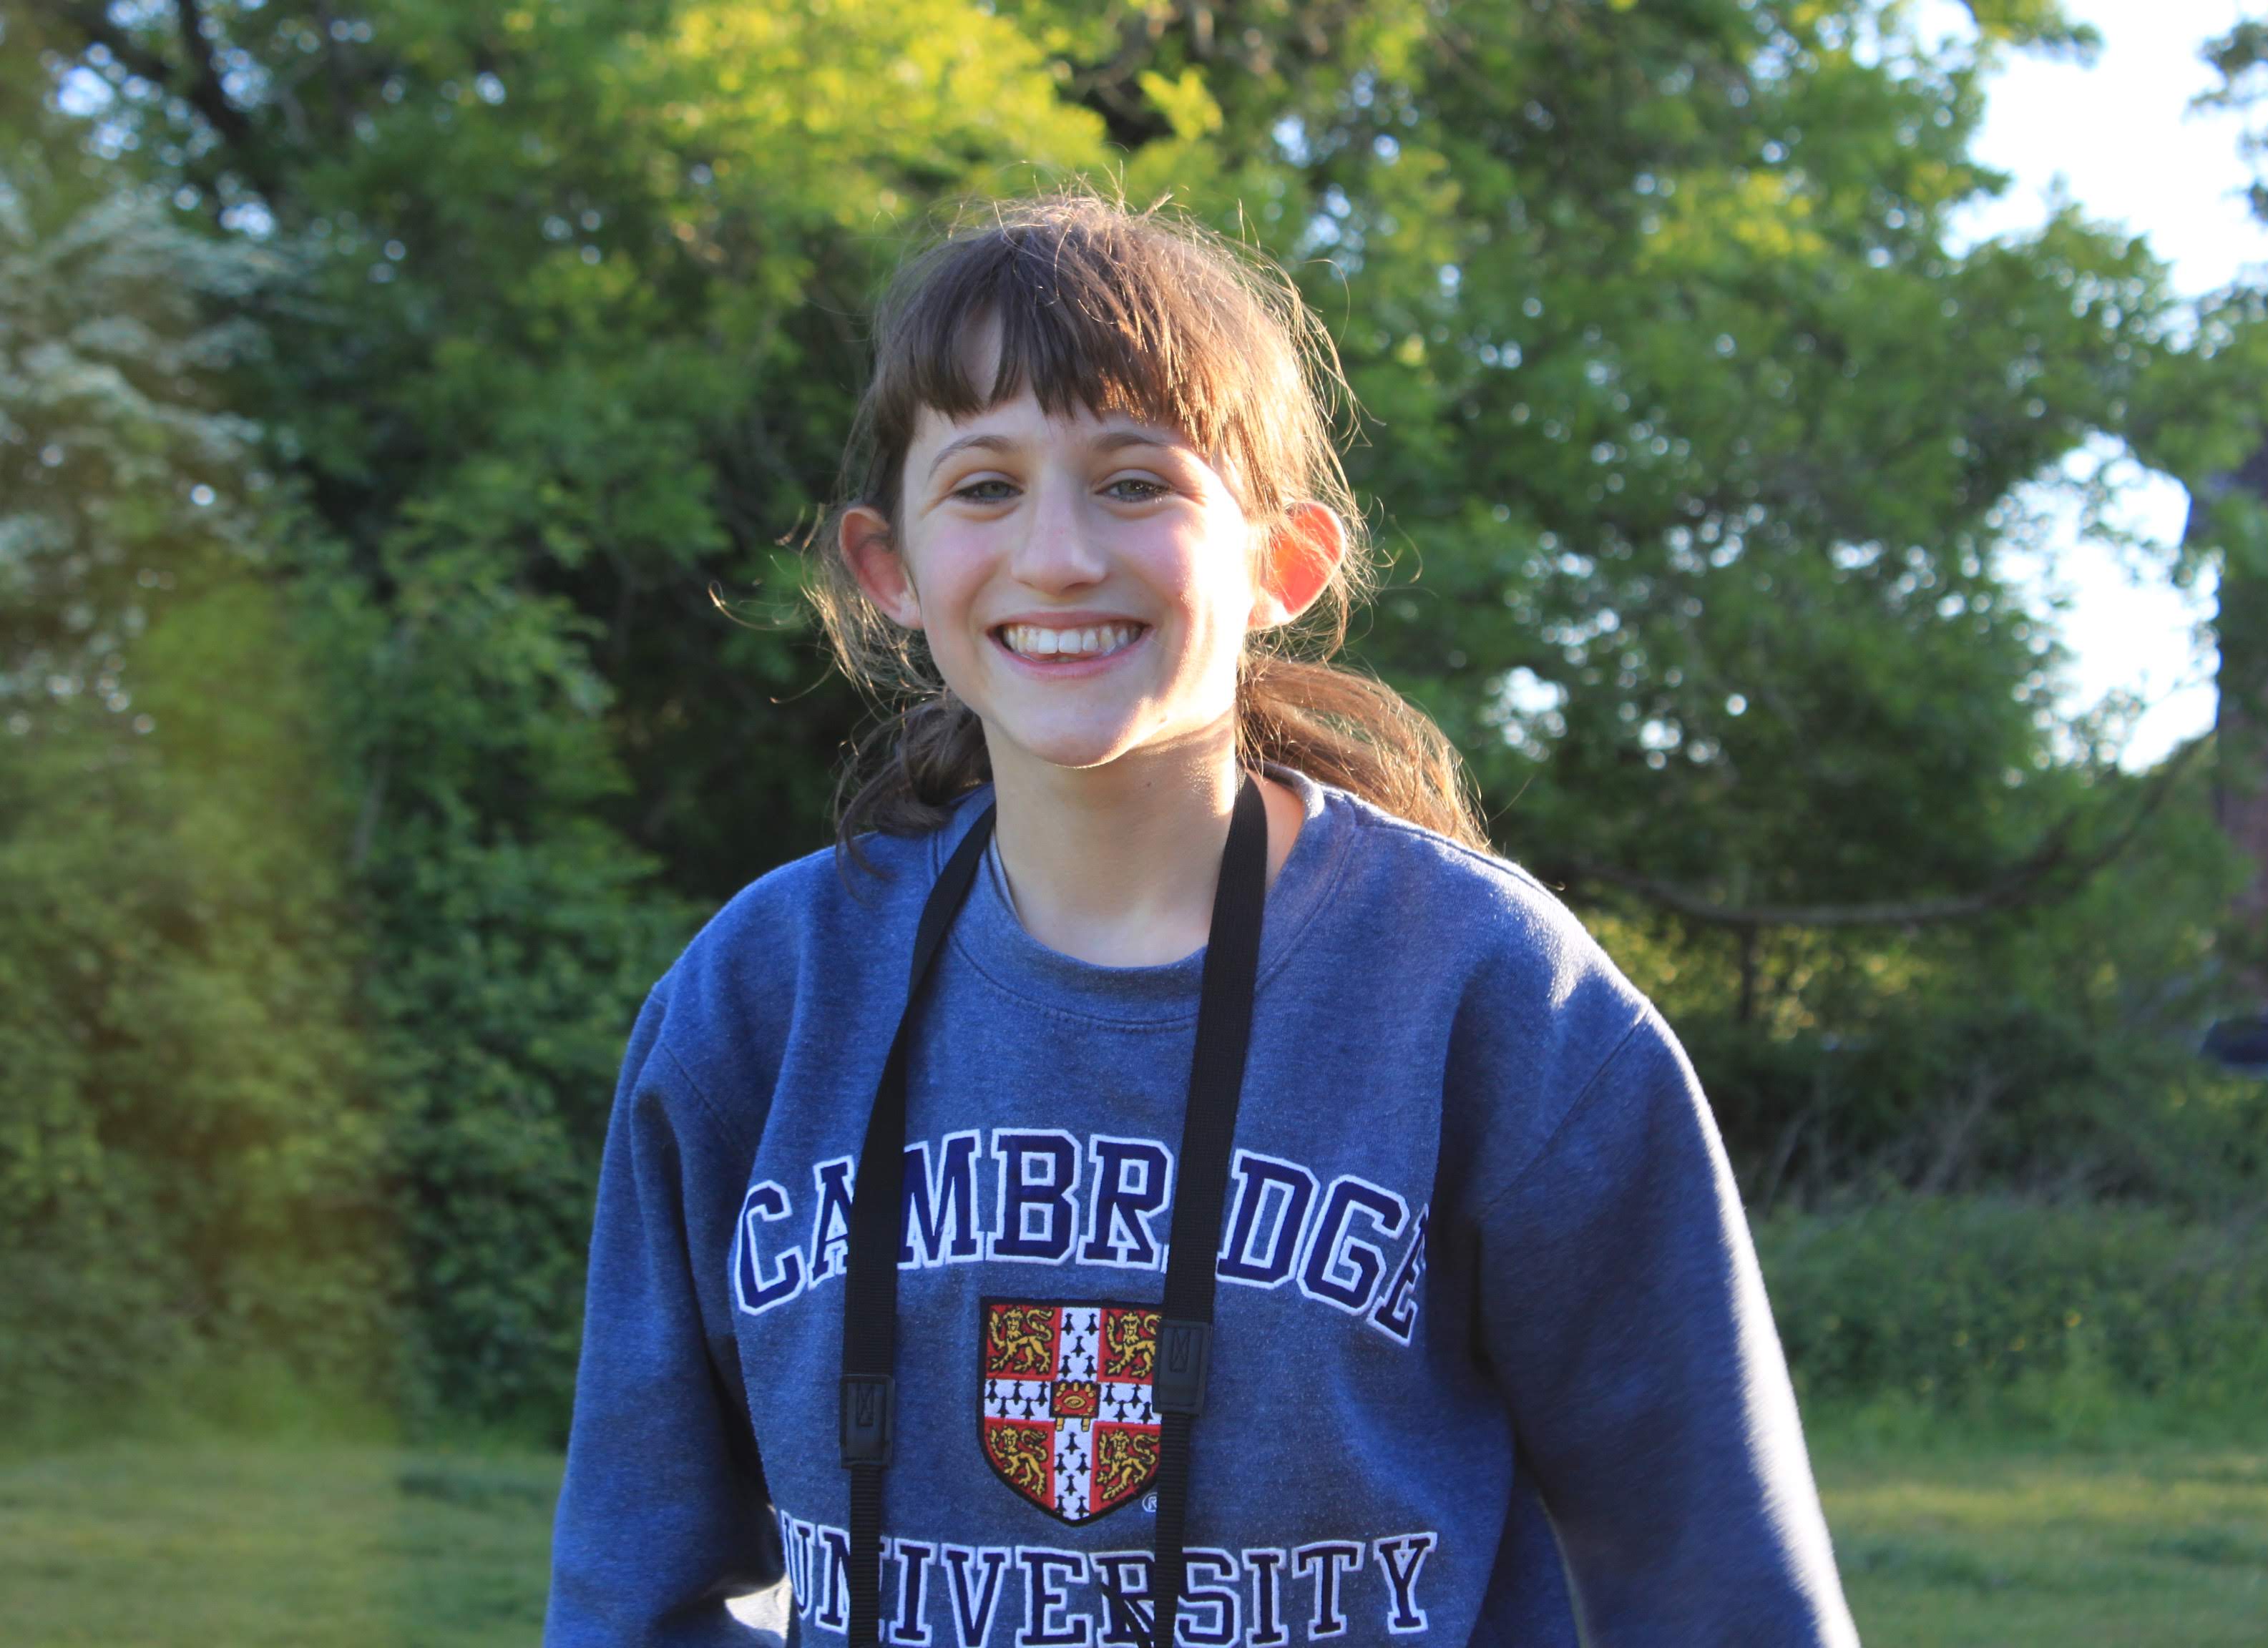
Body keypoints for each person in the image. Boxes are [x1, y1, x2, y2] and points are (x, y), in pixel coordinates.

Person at [544, 191, 1857, 1647]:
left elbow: (1719, 1587)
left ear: (1279, 563)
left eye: (1134, 483)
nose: (1056, 557)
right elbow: (631, 1591)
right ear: (890, 569)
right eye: (984, 486)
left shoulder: (1497, 1002)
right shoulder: (760, 1002)